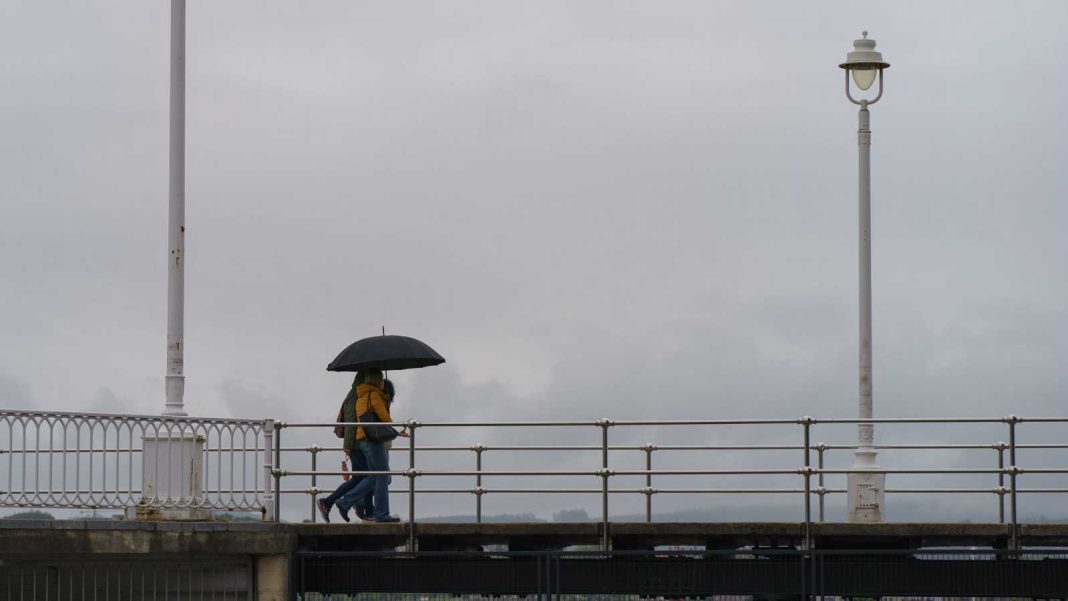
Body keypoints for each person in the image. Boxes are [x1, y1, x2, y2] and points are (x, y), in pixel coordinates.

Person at [335, 369, 407, 523]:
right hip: (374, 441)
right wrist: (385, 403)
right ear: (377, 379)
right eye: (380, 378)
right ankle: (380, 513)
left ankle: (346, 502)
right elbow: (385, 419)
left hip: (363, 440)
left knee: (376, 476)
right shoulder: (374, 395)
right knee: (382, 476)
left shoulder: (361, 394)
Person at [317, 373, 373, 522]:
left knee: (364, 477)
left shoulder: (355, 395)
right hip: (356, 444)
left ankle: (363, 507)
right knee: (368, 476)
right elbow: (351, 422)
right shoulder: (356, 397)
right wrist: (348, 445)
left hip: (357, 443)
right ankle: (358, 506)